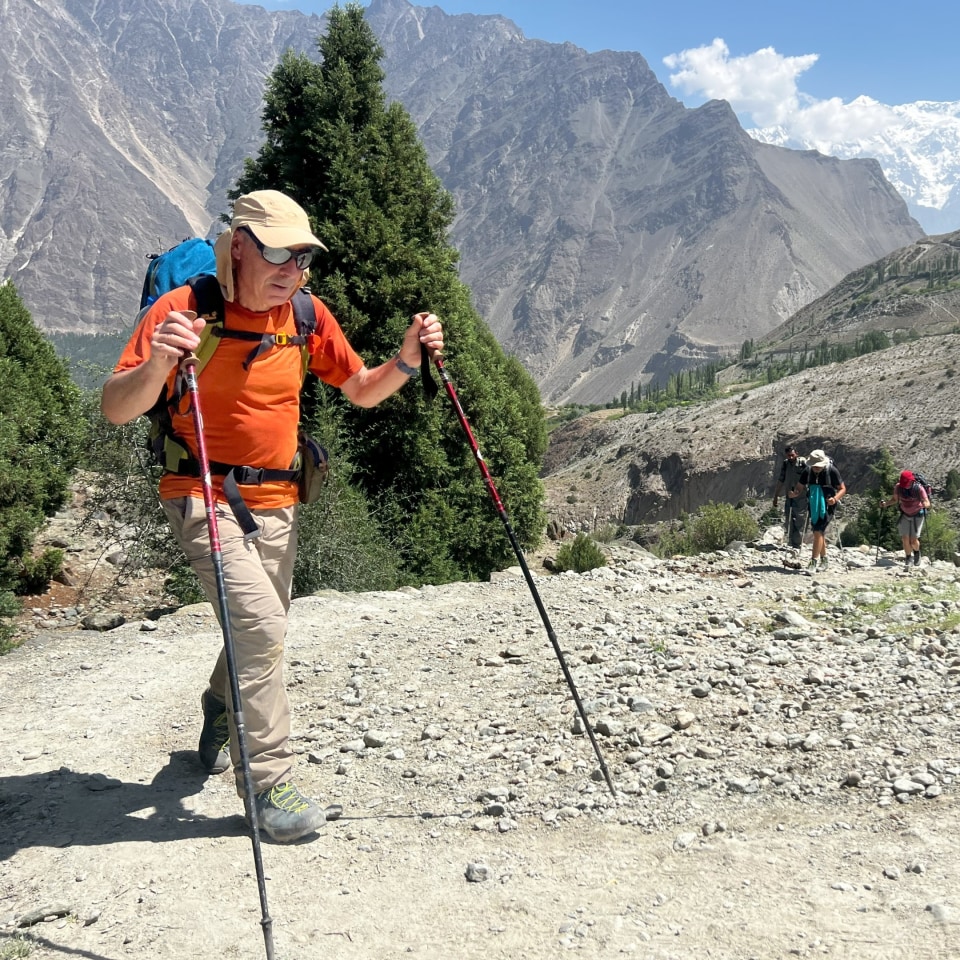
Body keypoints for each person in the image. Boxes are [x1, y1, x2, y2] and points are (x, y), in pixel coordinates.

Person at [101, 190, 444, 842]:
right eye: (279, 252)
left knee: (257, 628)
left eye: (303, 256)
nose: (293, 269)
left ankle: (218, 703)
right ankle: (268, 785)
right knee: (260, 628)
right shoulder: (184, 311)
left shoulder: (306, 316)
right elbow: (117, 407)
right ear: (240, 246)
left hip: (279, 504)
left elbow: (362, 390)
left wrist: (406, 359)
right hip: (199, 494)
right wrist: (159, 364)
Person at [790, 448, 846, 573]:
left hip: (827, 504)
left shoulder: (831, 470)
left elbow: (842, 488)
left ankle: (813, 562)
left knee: (818, 531)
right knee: (818, 532)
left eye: (818, 466)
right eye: (814, 466)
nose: (815, 468)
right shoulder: (807, 471)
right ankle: (824, 560)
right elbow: (800, 486)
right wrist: (795, 493)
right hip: (814, 503)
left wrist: (835, 499)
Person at [880, 470, 931, 568]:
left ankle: (916, 552)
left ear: (912, 481)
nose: (905, 485)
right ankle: (908, 558)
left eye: (906, 483)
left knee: (913, 540)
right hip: (905, 514)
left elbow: (927, 502)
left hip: (917, 515)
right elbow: (894, 500)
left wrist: (926, 505)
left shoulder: (919, 488)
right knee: (905, 539)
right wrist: (885, 504)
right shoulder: (898, 487)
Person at [772, 445, 807, 552]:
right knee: (789, 519)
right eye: (788, 456)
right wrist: (776, 496)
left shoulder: (803, 463)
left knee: (800, 520)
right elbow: (781, 480)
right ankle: (791, 543)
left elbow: (809, 478)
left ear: (796, 453)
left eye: (792, 455)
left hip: (802, 498)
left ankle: (797, 545)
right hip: (789, 497)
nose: (791, 457)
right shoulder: (786, 464)